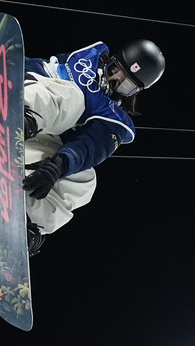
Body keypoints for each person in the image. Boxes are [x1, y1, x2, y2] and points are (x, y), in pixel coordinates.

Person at [21, 38, 165, 255]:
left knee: (86, 181)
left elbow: (92, 146)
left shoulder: (112, 118)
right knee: (75, 98)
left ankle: (30, 221)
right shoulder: (85, 62)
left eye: (125, 85)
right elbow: (42, 66)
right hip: (27, 98)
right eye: (115, 70)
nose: (114, 81)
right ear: (111, 60)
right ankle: (23, 117)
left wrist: (58, 166)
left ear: (133, 93)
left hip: (34, 145)